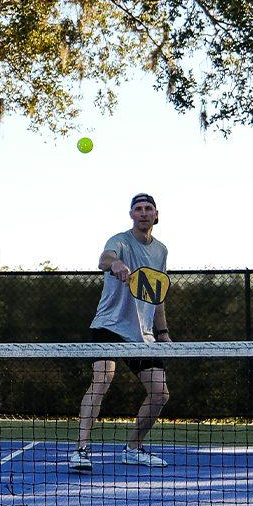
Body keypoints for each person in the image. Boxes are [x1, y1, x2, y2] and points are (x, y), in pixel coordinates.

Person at [69, 194, 171, 472]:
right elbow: (105, 258)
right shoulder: (120, 241)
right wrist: (115, 264)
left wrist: (162, 332)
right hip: (109, 326)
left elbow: (157, 294)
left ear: (156, 214)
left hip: (142, 333)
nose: (143, 212)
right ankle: (80, 449)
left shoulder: (161, 250)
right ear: (131, 215)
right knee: (102, 379)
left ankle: (133, 448)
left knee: (160, 393)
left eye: (148, 208)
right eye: (137, 209)